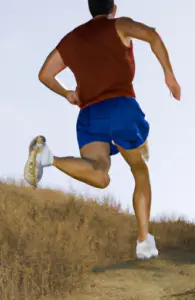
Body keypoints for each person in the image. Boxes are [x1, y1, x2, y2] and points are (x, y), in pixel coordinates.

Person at [24, 0, 181, 260]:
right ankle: (143, 242)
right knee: (140, 170)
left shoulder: (72, 39)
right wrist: (169, 75)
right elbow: (152, 35)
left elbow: (45, 75)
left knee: (100, 176)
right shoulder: (119, 25)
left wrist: (66, 93)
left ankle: (47, 157)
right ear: (113, 8)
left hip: (89, 115)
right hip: (121, 106)